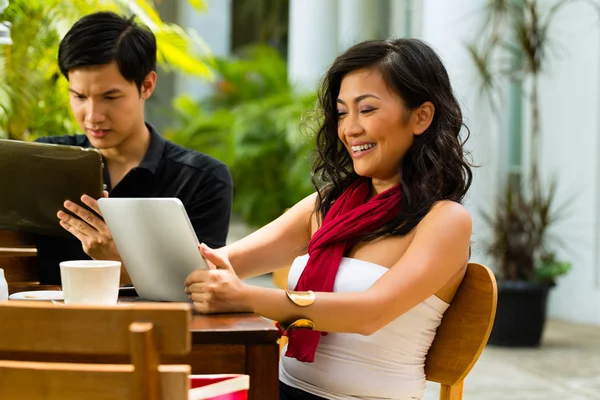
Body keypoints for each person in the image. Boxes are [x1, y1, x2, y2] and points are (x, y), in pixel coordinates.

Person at [185, 38, 474, 400]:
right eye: (341, 112)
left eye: (366, 109)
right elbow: (221, 262)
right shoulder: (328, 205)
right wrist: (123, 250)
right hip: (279, 390)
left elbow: (369, 313)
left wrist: (247, 298)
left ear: (421, 116)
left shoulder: (444, 220)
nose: (349, 129)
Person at [34, 11, 233, 284]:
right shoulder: (42, 162)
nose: (92, 115)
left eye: (110, 97)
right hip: (42, 322)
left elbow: (200, 288)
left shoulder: (202, 179)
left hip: (157, 326)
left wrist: (116, 259)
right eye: (79, 96)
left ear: (147, 85)